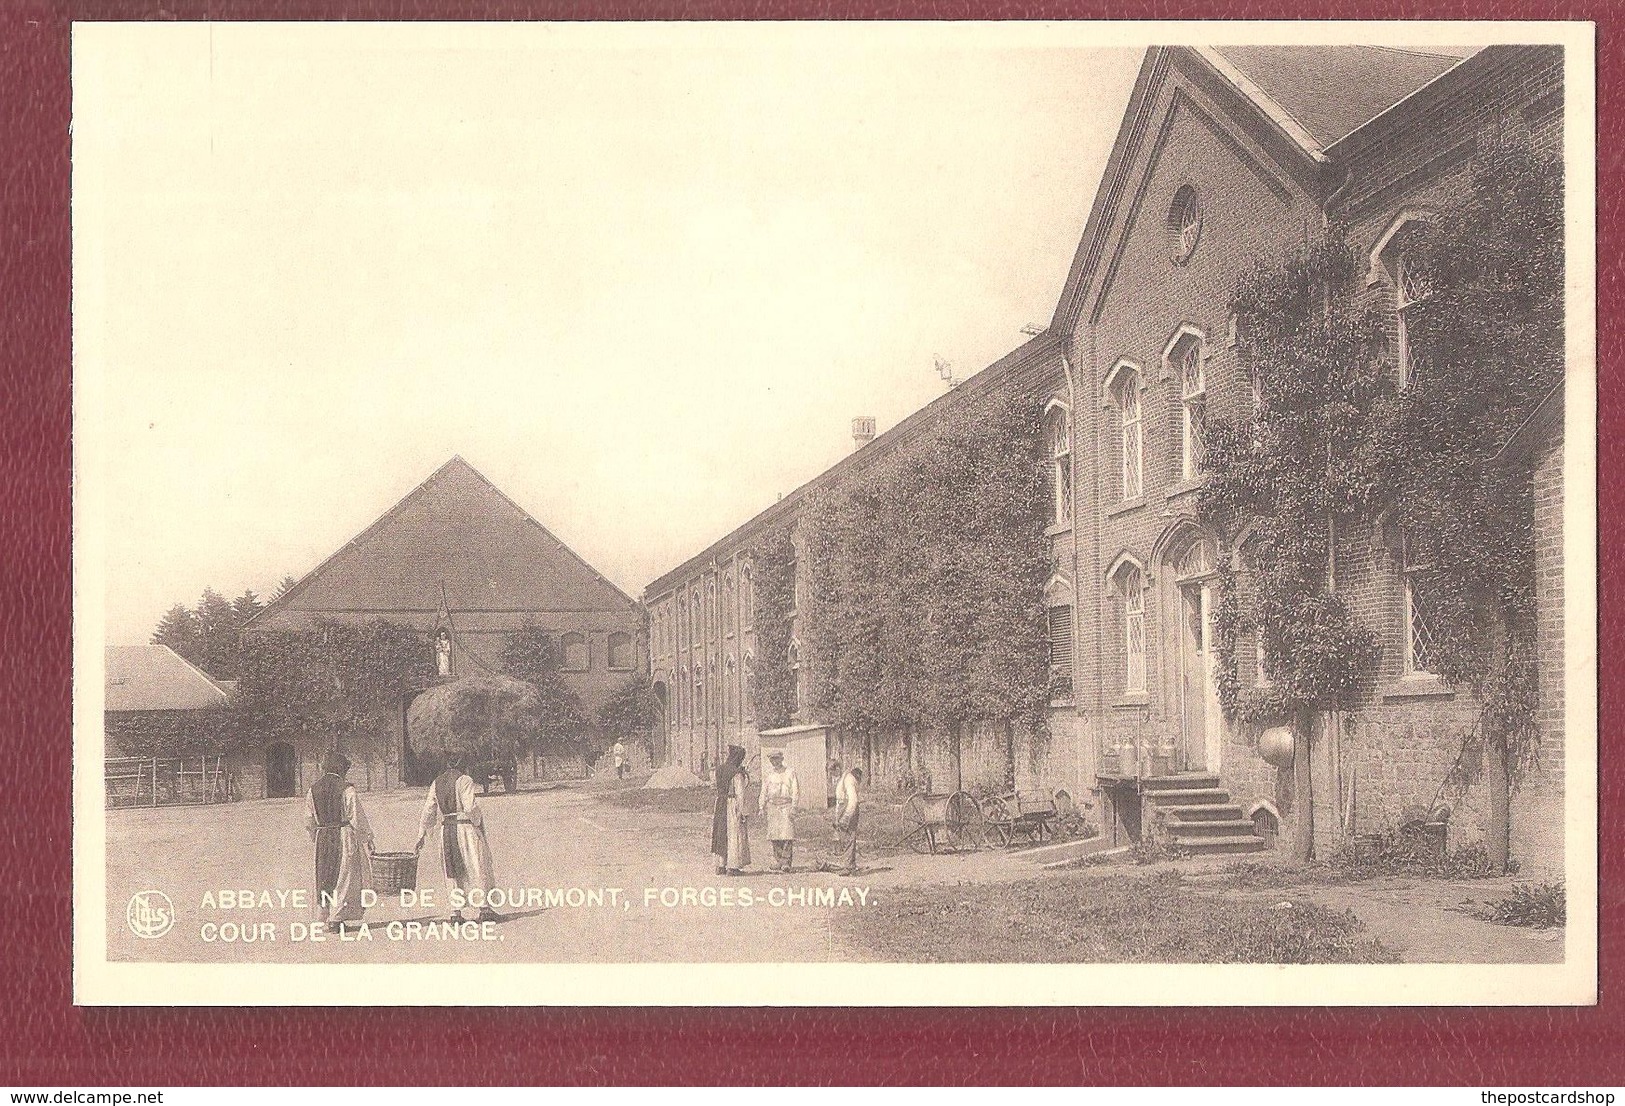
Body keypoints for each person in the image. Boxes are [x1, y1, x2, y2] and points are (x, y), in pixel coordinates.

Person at [415, 755, 498, 923]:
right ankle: (484, 910)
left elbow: (428, 810)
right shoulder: (465, 780)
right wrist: (477, 820)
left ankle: (456, 913)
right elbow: (470, 807)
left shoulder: (436, 782)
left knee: (451, 869)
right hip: (465, 829)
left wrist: (422, 833)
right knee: (475, 865)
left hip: (446, 830)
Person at [304, 749, 375, 933]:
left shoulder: (313, 790)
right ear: (340, 769)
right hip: (343, 835)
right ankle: (336, 918)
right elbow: (356, 817)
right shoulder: (347, 789)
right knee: (343, 876)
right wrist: (367, 838)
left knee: (324, 876)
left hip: (322, 837)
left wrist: (315, 836)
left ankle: (322, 916)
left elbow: (309, 820)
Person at [710, 744, 751, 875]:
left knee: (721, 833)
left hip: (720, 803)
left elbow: (714, 785)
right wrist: (741, 811)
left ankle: (720, 865)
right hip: (731, 803)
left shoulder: (719, 769)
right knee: (734, 833)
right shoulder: (737, 773)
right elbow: (740, 792)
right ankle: (733, 867)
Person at [757, 749, 799, 872]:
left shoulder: (790, 772)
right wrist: (761, 806)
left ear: (781, 759)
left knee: (787, 834)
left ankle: (786, 862)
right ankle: (778, 860)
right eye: (772, 760)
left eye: (776, 759)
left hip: (786, 806)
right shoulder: (769, 775)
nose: (774, 762)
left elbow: (795, 790)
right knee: (775, 835)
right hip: (773, 807)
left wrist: (794, 807)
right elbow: (764, 791)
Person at [820, 765, 864, 876]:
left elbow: (853, 800)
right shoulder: (843, 778)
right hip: (842, 808)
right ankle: (847, 864)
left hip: (849, 809)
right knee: (843, 838)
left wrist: (846, 817)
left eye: (832, 772)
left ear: (837, 769)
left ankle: (849, 866)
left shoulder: (848, 780)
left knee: (849, 837)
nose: (831, 775)